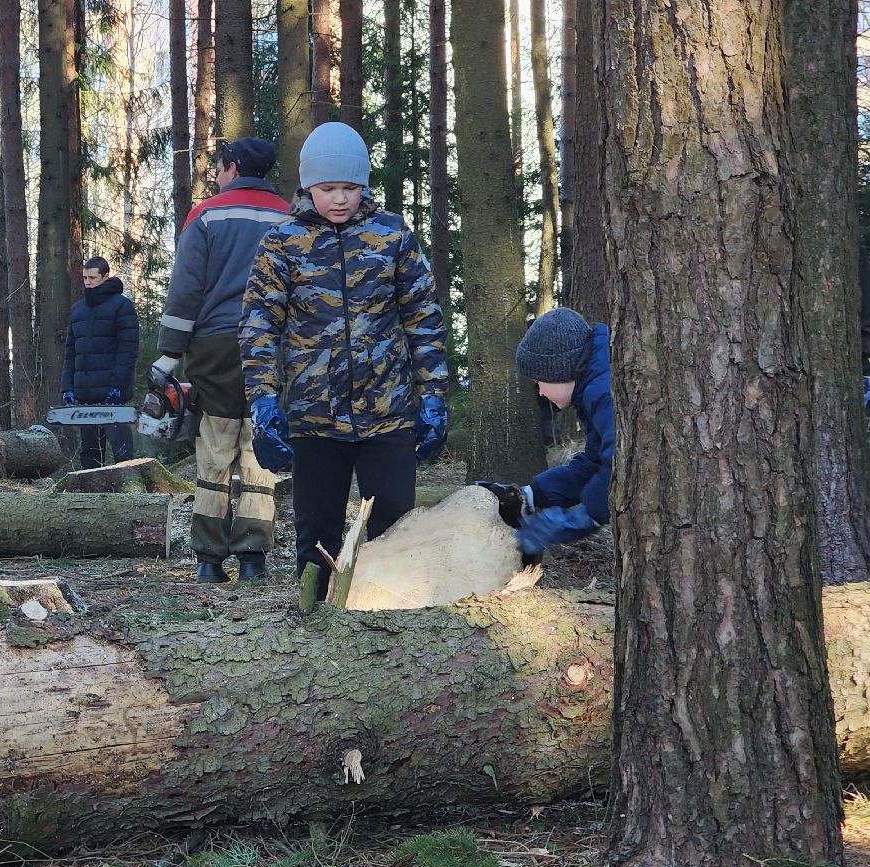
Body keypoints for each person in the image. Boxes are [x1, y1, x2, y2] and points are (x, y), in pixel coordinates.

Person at [240, 122, 449, 601]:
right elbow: (259, 326)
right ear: (307, 186)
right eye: (328, 188)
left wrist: (434, 396)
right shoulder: (282, 242)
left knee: (396, 530)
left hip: (388, 414)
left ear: (364, 185)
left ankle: (394, 618)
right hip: (314, 417)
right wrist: (263, 402)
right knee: (317, 533)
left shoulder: (391, 235)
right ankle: (314, 618)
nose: (339, 199)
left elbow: (423, 318)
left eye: (350, 188)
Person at [152, 137, 290, 583]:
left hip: (214, 345)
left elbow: (186, 287)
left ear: (233, 168)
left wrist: (171, 352)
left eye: (219, 167)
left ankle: (209, 560)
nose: (215, 174)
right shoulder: (289, 216)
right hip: (273, 344)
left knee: (215, 445)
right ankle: (253, 558)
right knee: (259, 444)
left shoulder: (206, 215)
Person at [480, 306, 614, 564]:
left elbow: (620, 463)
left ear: (559, 370)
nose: (540, 392)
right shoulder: (593, 387)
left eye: (539, 382)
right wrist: (532, 494)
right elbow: (595, 462)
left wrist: (584, 516)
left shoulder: (603, 392)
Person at [62, 257, 139, 469]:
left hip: (112, 393)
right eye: (85, 278)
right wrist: (68, 388)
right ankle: (91, 486)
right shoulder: (78, 310)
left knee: (122, 451)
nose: (88, 282)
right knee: (90, 453)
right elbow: (71, 353)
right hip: (85, 393)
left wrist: (117, 386)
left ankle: (129, 484)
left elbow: (128, 350)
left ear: (105, 277)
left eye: (92, 278)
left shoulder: (122, 306)